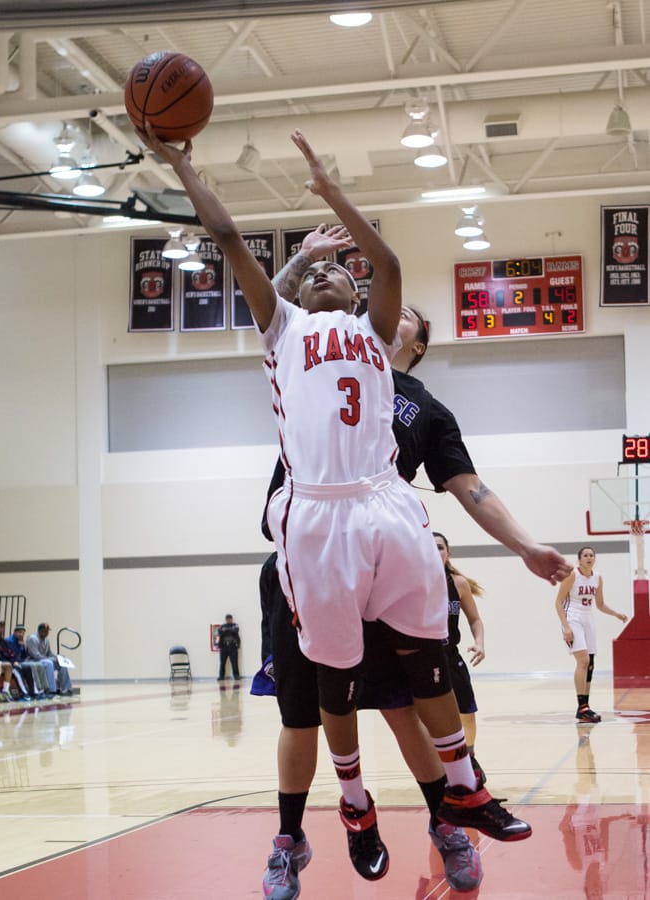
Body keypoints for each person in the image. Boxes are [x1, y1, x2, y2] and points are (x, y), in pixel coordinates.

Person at [138, 123, 570, 890]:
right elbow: (229, 233)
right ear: (297, 292)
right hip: (316, 517)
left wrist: (337, 194)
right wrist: (182, 164)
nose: (333, 273)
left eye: (345, 269)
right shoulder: (283, 329)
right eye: (318, 272)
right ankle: (351, 807)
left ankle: (463, 790)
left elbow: (392, 264)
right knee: (327, 685)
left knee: (425, 670)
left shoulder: (378, 337)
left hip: (387, 507)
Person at [257, 222, 571, 896]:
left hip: (387, 555)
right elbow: (273, 312)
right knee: (302, 711)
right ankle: (292, 837)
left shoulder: (427, 410)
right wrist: (303, 262)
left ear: (411, 338)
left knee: (406, 707)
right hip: (313, 552)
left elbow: (470, 488)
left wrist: (524, 546)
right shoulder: (309, 357)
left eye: (399, 312)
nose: (380, 307)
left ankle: (447, 820)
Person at [555, 546, 628, 723]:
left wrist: (617, 614)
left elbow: (600, 604)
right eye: (585, 555)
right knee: (583, 660)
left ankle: (584, 707)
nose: (589, 558)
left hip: (588, 619)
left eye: (591, 555)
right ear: (579, 559)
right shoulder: (573, 575)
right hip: (572, 617)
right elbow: (558, 603)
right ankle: (582, 707)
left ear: (594, 559)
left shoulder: (597, 577)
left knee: (590, 664)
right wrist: (565, 627)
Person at [433, 532, 485, 772]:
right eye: (429, 547)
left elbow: (475, 619)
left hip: (450, 654)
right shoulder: (411, 581)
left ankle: (470, 758)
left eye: (440, 547)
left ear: (448, 553)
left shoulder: (458, 583)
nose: (435, 551)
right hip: (423, 657)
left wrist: (479, 642)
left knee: (467, 711)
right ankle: (438, 765)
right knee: (427, 717)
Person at [26, 622, 73, 696]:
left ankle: (66, 688)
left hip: (45, 660)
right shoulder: (33, 638)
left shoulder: (46, 640)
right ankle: (51, 689)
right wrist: (52, 659)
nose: (46, 633)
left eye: (47, 631)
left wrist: (57, 657)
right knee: (49, 663)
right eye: (44, 631)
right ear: (39, 631)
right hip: (34, 661)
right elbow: (35, 655)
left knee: (62, 663)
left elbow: (49, 654)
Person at [6, 624, 50, 700]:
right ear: (14, 632)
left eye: (23, 633)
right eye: (19, 632)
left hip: (22, 661)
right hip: (15, 662)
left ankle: (44, 689)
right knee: (32, 665)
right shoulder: (10, 641)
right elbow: (10, 655)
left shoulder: (21, 641)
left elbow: (25, 655)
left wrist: (25, 646)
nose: (21, 634)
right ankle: (37, 690)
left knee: (39, 665)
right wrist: (16, 661)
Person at [0, 619, 30, 700]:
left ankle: (5, 691)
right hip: (0, 662)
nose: (1, 629)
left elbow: (10, 653)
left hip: (3, 662)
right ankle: (24, 692)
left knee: (12, 666)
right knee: (14, 668)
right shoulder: (9, 640)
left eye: (2, 627)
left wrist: (13, 661)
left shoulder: (2, 641)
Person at [217, 615, 241, 681]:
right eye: (227, 619)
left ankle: (236, 676)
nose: (228, 620)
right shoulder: (222, 626)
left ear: (231, 619)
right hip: (224, 647)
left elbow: (235, 631)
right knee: (222, 663)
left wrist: (226, 630)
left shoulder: (235, 625)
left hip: (233, 646)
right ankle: (221, 676)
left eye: (230, 619)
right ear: (226, 619)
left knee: (234, 663)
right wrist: (228, 631)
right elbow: (220, 632)